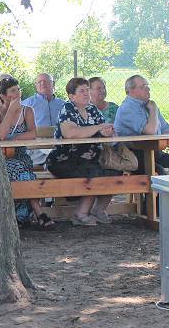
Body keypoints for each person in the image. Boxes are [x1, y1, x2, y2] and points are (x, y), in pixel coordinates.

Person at [114, 75, 169, 219]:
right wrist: (154, 109)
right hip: (133, 156)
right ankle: (152, 211)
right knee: (158, 171)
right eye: (143, 86)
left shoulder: (149, 106)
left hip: (153, 152)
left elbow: (167, 130)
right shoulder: (127, 109)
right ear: (130, 90)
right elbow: (151, 131)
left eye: (147, 85)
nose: (148, 89)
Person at [45, 77, 119, 226]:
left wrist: (106, 132)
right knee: (93, 171)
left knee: (114, 171)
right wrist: (98, 128)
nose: (86, 93)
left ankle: (98, 210)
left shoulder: (93, 109)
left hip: (91, 157)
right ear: (72, 96)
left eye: (87, 90)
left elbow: (102, 132)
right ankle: (80, 214)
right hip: (65, 159)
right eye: (81, 91)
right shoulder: (68, 109)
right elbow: (70, 133)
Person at [0, 76, 53, 229]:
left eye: (18, 90)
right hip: (1, 159)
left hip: (21, 156)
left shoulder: (27, 111)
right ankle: (38, 213)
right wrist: (11, 110)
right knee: (22, 174)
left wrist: (13, 139)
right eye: (13, 91)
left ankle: (23, 215)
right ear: (3, 96)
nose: (18, 93)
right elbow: (0, 136)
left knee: (23, 171)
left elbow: (32, 133)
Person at [21, 73, 66, 166]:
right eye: (39, 82)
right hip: (36, 149)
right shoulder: (26, 105)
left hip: (60, 145)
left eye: (46, 81)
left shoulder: (64, 105)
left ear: (53, 84)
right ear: (35, 85)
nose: (42, 83)